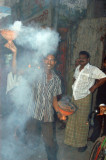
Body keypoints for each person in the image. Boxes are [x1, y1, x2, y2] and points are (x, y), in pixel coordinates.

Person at [64, 51, 106, 152]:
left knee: (83, 121)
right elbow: (74, 77)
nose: (81, 59)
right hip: (75, 97)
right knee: (72, 119)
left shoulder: (92, 69)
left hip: (85, 98)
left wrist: (94, 87)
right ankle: (71, 141)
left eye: (84, 58)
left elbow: (104, 77)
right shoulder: (78, 68)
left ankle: (82, 144)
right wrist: (75, 85)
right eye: (80, 58)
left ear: (88, 59)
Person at [26, 54, 62, 160]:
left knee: (50, 141)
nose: (49, 62)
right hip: (33, 112)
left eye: (52, 60)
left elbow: (54, 99)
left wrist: (59, 112)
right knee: (32, 133)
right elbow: (27, 89)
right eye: (47, 59)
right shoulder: (35, 74)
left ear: (55, 62)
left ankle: (52, 158)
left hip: (47, 114)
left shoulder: (56, 79)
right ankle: (32, 145)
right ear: (43, 61)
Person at [89, 57, 106, 142]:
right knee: (99, 119)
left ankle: (103, 138)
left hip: (103, 101)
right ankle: (95, 137)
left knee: (101, 119)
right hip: (102, 102)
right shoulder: (101, 72)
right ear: (104, 63)